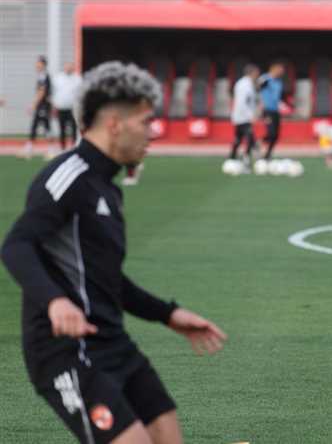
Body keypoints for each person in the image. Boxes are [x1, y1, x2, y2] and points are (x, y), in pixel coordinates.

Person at [1, 61, 227, 444]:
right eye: (145, 122)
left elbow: (105, 279)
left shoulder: (108, 188)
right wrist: (56, 302)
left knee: (167, 432)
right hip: (65, 351)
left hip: (112, 342)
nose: (152, 133)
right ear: (115, 124)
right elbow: (16, 245)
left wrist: (168, 314)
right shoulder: (68, 177)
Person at [22, 55, 53, 159]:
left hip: (43, 105)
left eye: (38, 63)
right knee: (36, 125)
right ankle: (30, 148)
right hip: (42, 105)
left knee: (45, 126)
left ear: (43, 64)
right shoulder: (41, 75)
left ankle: (50, 150)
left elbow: (42, 92)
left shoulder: (44, 76)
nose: (36, 65)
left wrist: (33, 105)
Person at [229, 64, 260, 165]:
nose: (257, 75)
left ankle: (233, 157)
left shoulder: (247, 83)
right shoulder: (244, 85)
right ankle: (245, 157)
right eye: (256, 73)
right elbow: (242, 102)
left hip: (242, 116)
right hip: (243, 116)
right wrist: (250, 116)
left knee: (239, 137)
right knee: (249, 137)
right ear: (252, 73)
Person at [258, 60, 288, 161]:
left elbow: (278, 96)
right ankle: (258, 142)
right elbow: (257, 88)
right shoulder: (265, 79)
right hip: (267, 110)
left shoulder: (279, 82)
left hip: (276, 111)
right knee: (271, 132)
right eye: (280, 71)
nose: (281, 73)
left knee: (276, 135)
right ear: (273, 69)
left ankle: (268, 155)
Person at [52, 61, 84, 151]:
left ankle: (74, 146)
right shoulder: (58, 78)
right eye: (67, 67)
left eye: (70, 67)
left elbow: (81, 94)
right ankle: (62, 147)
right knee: (62, 128)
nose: (68, 69)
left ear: (73, 68)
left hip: (72, 108)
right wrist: (54, 106)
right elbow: (54, 93)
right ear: (64, 68)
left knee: (74, 128)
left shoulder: (78, 79)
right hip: (61, 107)